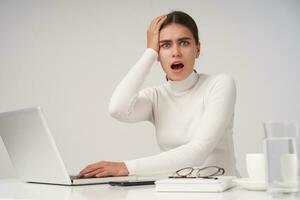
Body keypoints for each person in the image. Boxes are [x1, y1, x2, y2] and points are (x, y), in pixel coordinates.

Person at [78, 11, 238, 178]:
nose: (176, 52)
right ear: (158, 55)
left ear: (197, 49)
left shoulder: (220, 84)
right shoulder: (156, 97)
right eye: (166, 45)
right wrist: (149, 53)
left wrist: (125, 167)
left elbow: (198, 152)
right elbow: (117, 108)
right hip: (176, 192)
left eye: (184, 43)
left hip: (223, 192)